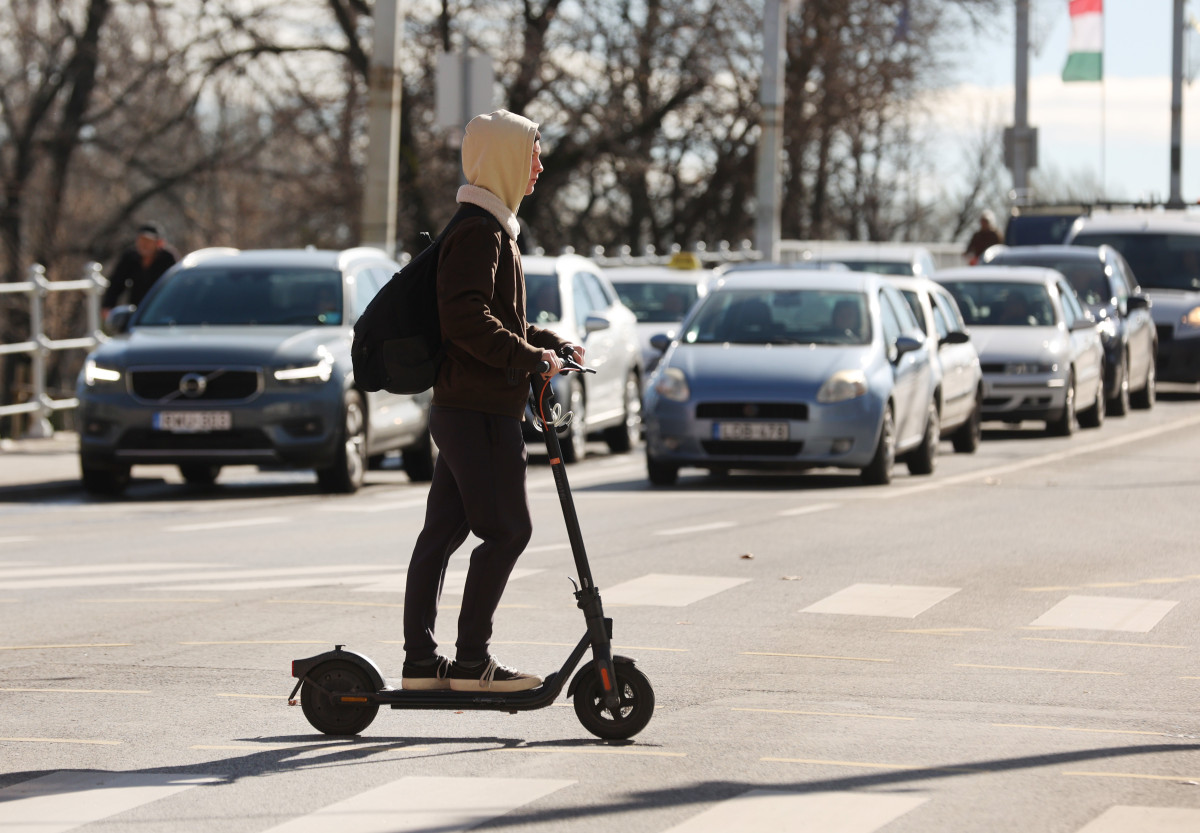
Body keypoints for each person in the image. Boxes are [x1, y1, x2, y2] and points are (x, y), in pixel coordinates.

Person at [401, 110, 584, 694]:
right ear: (504, 157)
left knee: (443, 535)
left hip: (468, 407)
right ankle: (471, 661)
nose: (538, 165)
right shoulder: (480, 229)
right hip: (477, 411)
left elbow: (498, 320)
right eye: (531, 152)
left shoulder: (490, 226)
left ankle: (423, 665)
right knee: (507, 532)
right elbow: (466, 322)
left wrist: (549, 343)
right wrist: (530, 360)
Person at [101, 223, 178, 317]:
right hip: (136, 310)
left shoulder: (168, 259)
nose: (144, 244)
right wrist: (108, 306)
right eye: (141, 240)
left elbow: (176, 286)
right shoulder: (130, 257)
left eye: (148, 241)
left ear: (159, 243)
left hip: (162, 310)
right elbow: (117, 282)